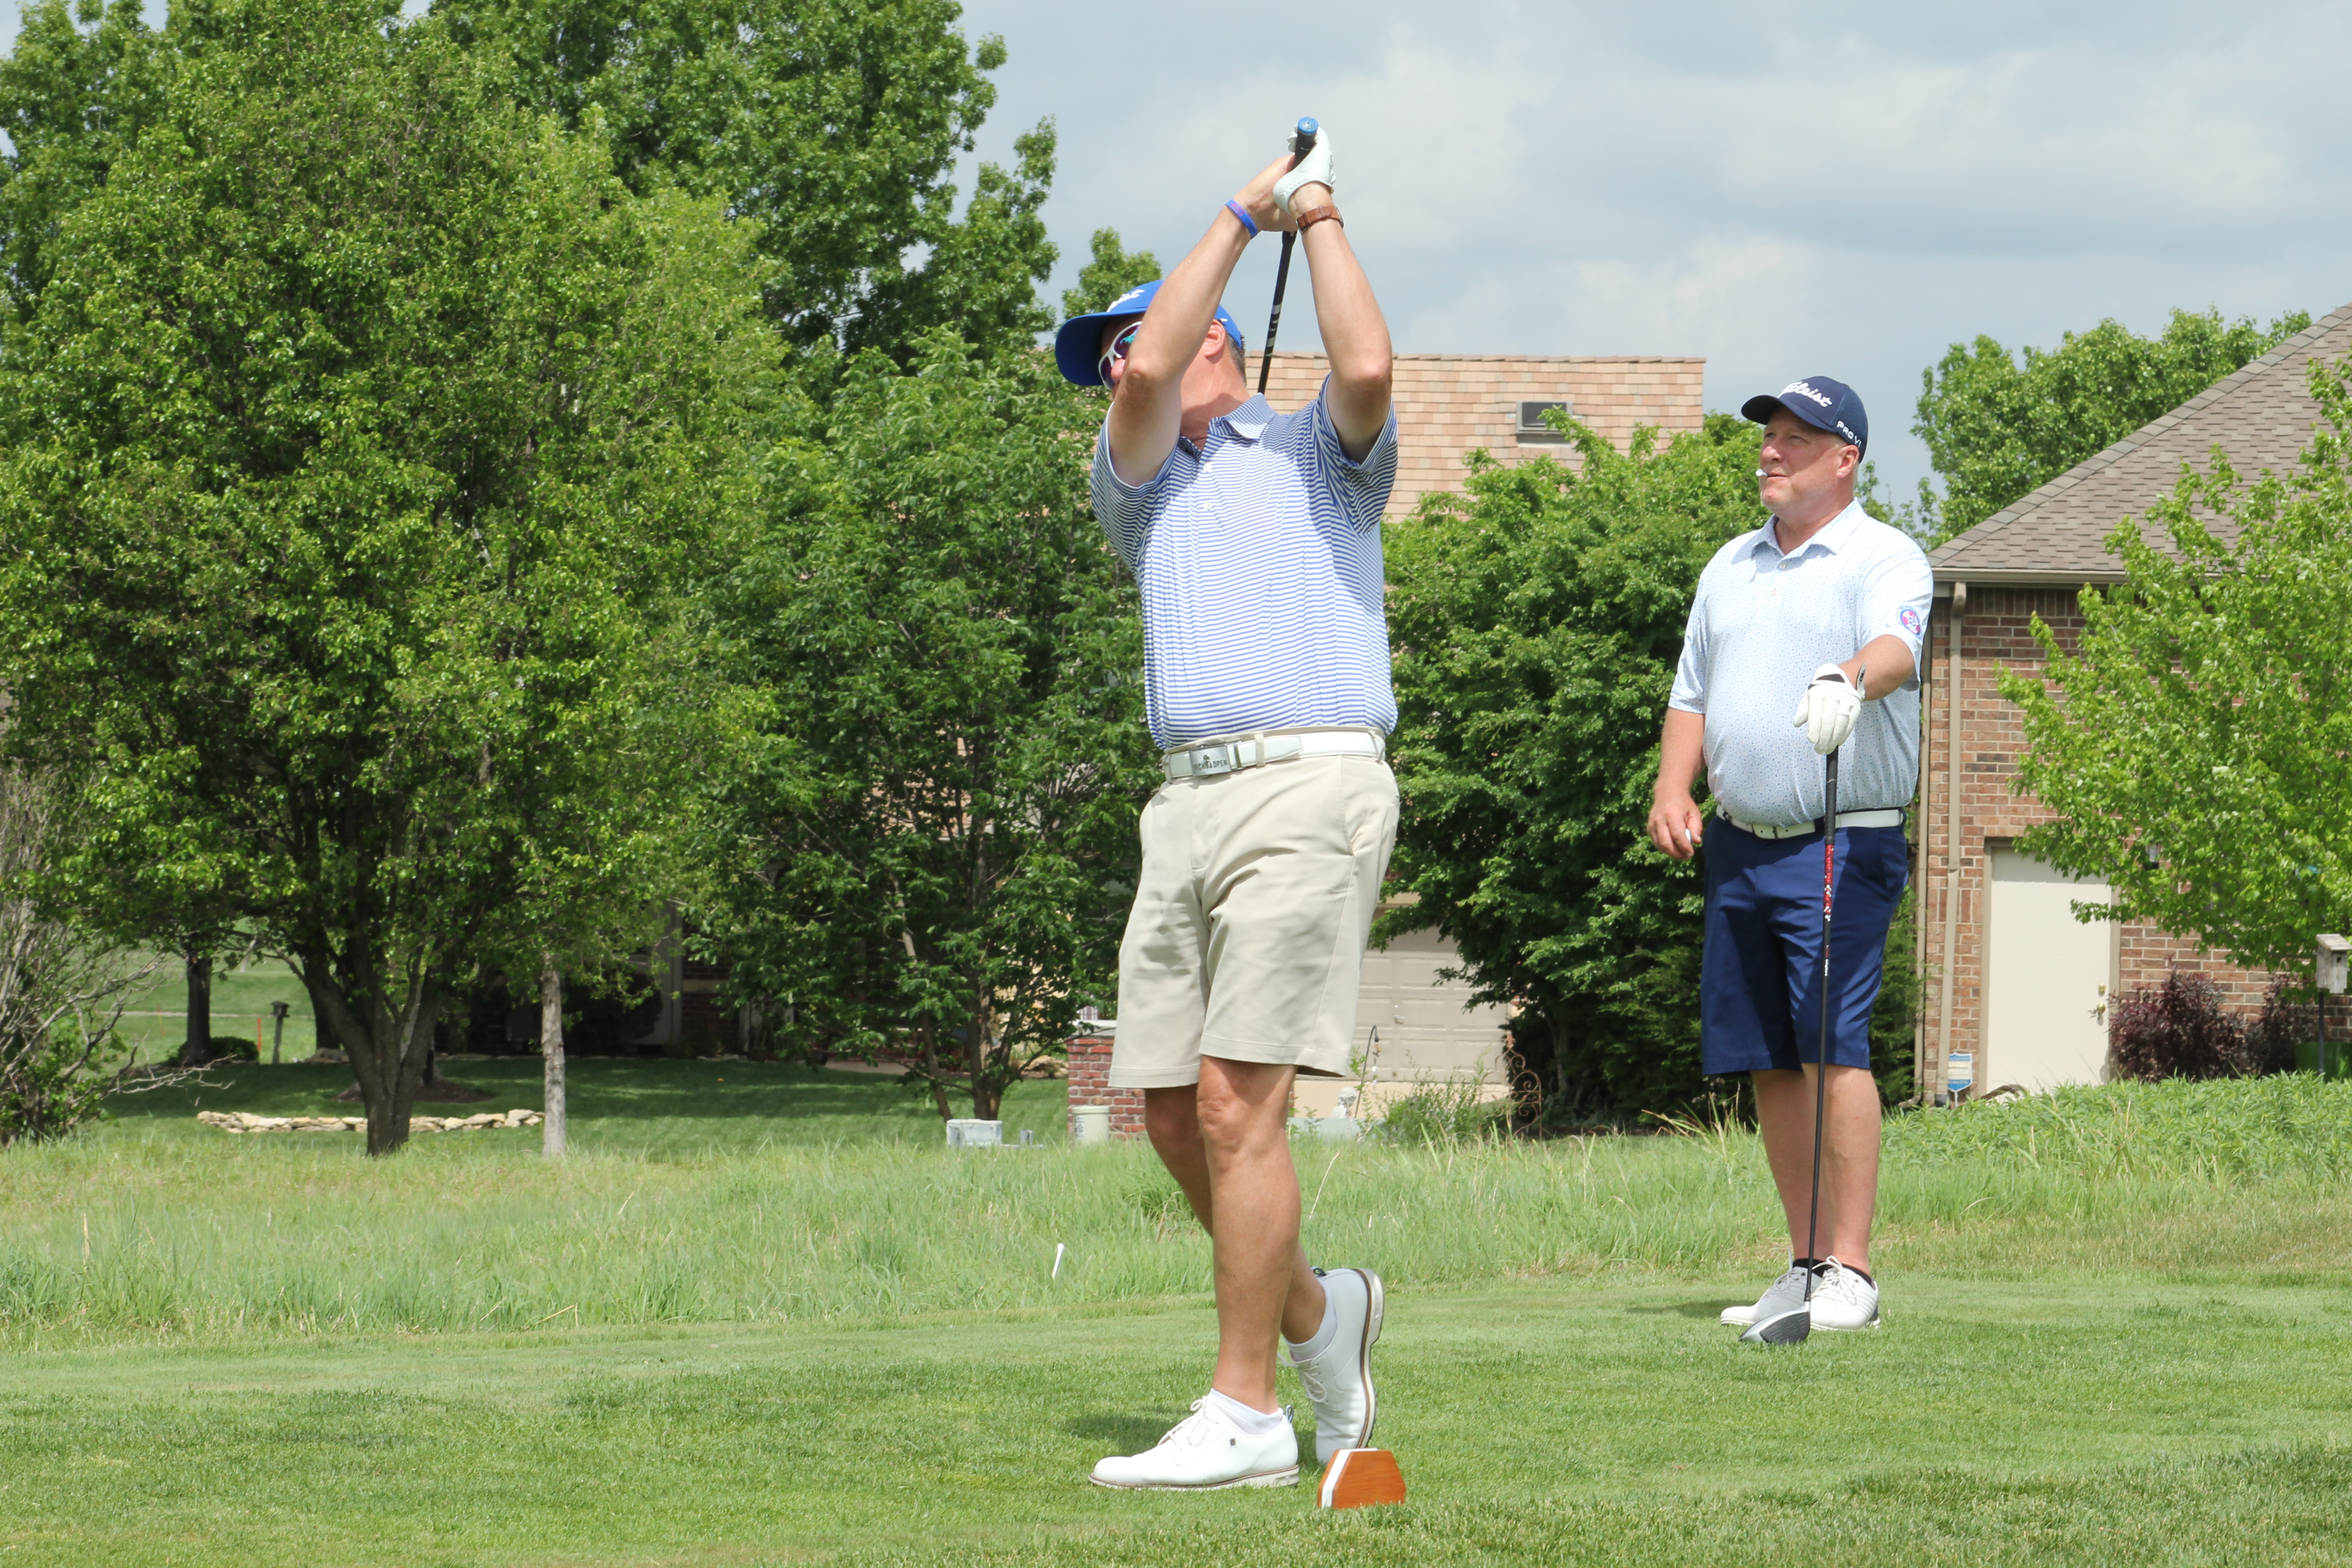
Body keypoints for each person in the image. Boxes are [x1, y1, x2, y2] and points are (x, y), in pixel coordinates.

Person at [1052, 128, 1398, 1490]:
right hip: (1181, 807)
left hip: (1313, 783)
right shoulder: (1134, 477)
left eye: (1135, 334)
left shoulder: (1320, 451)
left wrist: (1310, 212)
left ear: (1213, 344)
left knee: (1240, 1100)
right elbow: (1144, 369)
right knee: (1172, 1109)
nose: (1122, 362)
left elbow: (1366, 366)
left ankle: (1249, 1411)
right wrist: (1237, 211)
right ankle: (1319, 1314)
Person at [1645, 377, 1931, 1333]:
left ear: (1843, 459)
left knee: (1831, 1048)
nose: (1770, 451)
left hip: (1844, 843)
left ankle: (1852, 1271)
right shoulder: (1731, 565)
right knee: (1769, 1056)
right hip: (1740, 846)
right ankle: (1806, 1264)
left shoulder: (1883, 557)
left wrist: (1850, 676)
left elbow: (1895, 647)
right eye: (1768, 436)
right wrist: (1671, 789)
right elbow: (1693, 694)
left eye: (1795, 439)